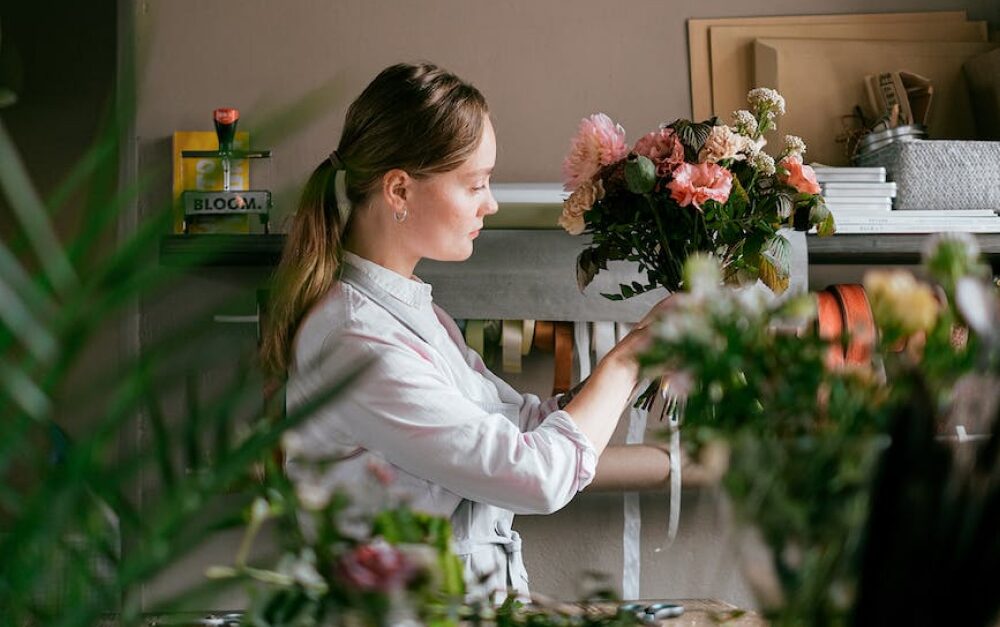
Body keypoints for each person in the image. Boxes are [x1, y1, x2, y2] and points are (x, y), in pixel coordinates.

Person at [259, 62, 673, 598]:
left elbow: (521, 424)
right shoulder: (358, 342)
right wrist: (630, 357)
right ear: (399, 190)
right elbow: (536, 475)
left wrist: (645, 349)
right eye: (476, 184)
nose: (491, 203)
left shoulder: (413, 316)